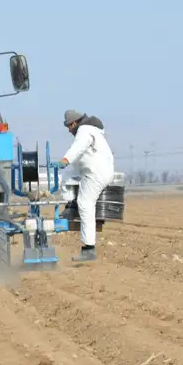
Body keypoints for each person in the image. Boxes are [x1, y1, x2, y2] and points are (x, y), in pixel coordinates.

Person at [53, 109, 115, 262]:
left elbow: (78, 147)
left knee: (85, 203)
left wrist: (65, 160)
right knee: (70, 182)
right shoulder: (94, 130)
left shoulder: (84, 130)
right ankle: (71, 208)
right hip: (97, 171)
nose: (69, 130)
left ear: (74, 123)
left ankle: (89, 249)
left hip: (96, 174)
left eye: (69, 126)